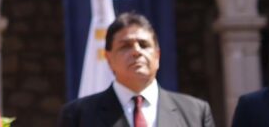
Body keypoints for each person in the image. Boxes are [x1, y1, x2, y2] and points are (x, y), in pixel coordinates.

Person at [57, 12, 215, 127]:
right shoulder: (78, 116)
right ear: (109, 59)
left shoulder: (195, 113)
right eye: (125, 46)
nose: (136, 51)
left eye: (144, 45)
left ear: (157, 56)